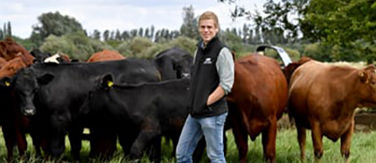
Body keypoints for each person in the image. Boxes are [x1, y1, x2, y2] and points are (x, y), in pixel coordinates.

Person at [176, 11, 235, 163]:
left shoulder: (222, 52)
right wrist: (195, 103)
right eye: (203, 27)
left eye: (209, 27)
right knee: (182, 154)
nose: (206, 30)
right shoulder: (198, 51)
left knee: (215, 157)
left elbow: (226, 85)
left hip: (213, 114)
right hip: (195, 113)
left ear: (216, 29)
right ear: (199, 29)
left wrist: (205, 101)